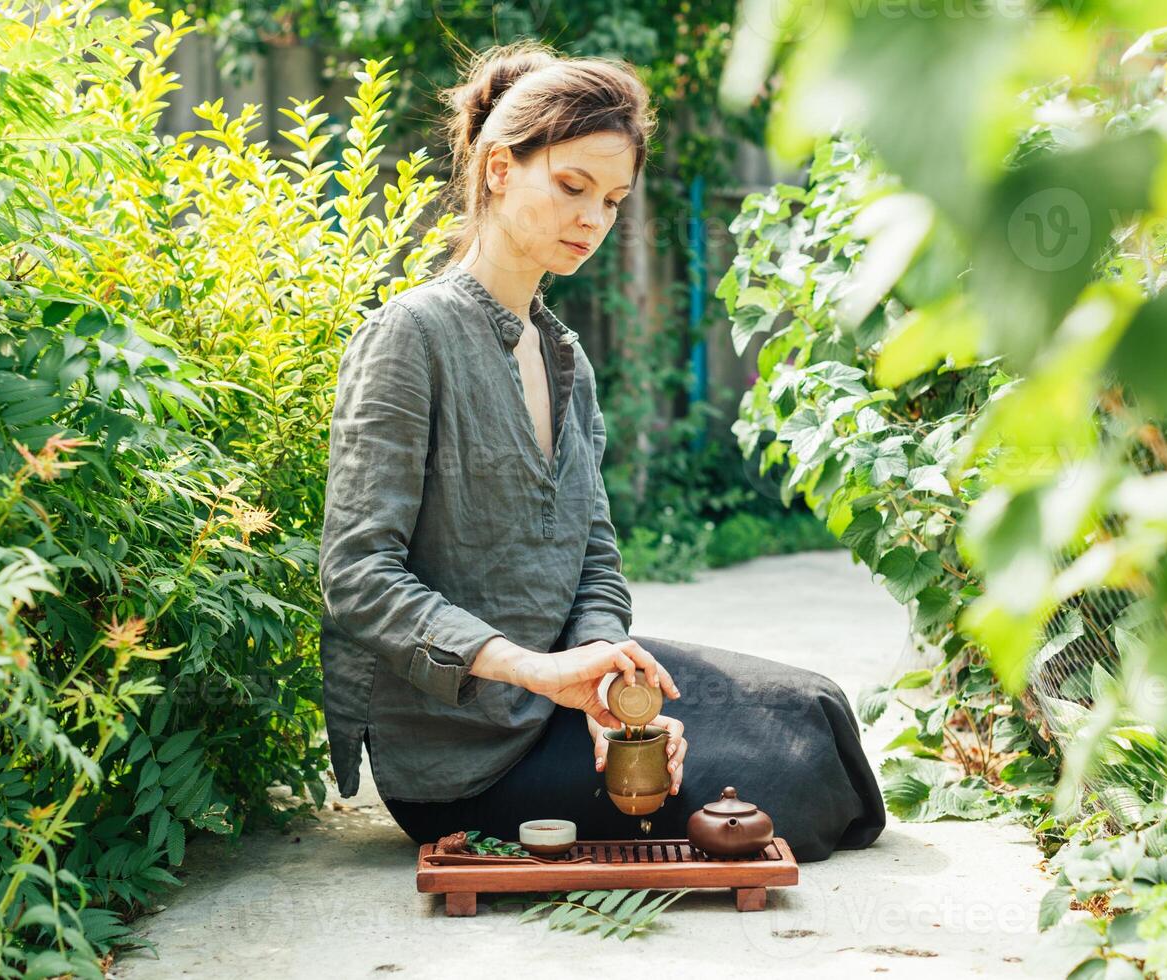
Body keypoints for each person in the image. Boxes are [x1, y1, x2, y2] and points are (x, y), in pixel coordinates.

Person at [318, 40, 885, 862]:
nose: (594, 219)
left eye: (614, 199)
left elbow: (593, 549)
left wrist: (610, 688)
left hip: (560, 702)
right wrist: (533, 671)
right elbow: (357, 573)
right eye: (573, 186)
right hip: (464, 760)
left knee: (817, 709)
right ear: (499, 169)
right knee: (797, 768)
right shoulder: (411, 336)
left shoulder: (565, 358)